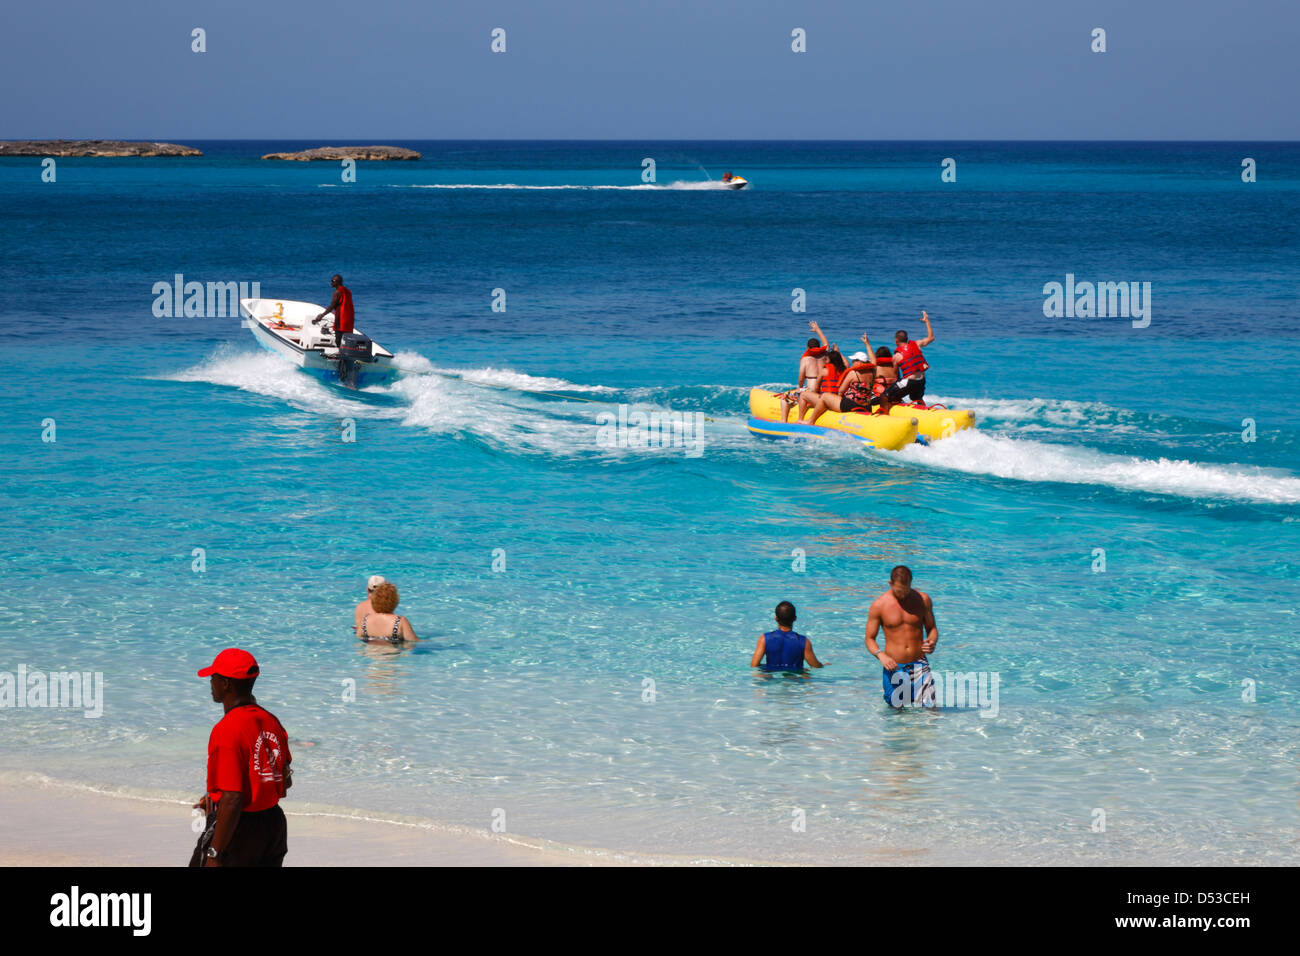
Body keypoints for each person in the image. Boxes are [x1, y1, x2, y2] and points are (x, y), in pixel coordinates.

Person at [190, 649, 292, 867]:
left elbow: (234, 799)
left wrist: (215, 853)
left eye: (214, 676)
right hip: (273, 825)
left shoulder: (227, 729)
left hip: (238, 830)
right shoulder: (272, 721)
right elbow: (283, 782)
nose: (210, 681)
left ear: (226, 683)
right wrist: (216, 798)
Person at [864, 566, 938, 708]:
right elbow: (869, 638)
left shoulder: (923, 600)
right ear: (890, 584)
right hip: (894, 666)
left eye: (906, 590)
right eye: (899, 591)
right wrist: (881, 655)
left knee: (931, 709)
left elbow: (932, 628)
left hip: (919, 664)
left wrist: (932, 641)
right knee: (896, 712)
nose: (903, 595)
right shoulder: (879, 605)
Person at [867, 311, 934, 409]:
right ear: (907, 339)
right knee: (916, 397)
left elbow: (895, 376)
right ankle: (925, 411)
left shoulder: (896, 356)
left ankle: (886, 414)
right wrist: (927, 321)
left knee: (885, 396)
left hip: (909, 382)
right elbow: (931, 337)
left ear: (896, 341)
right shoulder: (917, 344)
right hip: (921, 381)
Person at [751, 601, 825, 671]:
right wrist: (823, 665)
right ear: (795, 618)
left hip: (772, 677)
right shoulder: (803, 641)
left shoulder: (764, 639)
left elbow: (754, 665)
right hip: (794, 680)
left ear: (776, 618)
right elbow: (815, 666)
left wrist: (768, 668)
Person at [779, 321, 828, 423]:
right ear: (818, 347)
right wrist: (817, 329)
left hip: (811, 390)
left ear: (808, 348)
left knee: (784, 397)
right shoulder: (825, 356)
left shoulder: (805, 359)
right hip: (823, 391)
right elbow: (826, 344)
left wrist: (800, 387)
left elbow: (801, 378)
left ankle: (783, 421)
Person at [311, 274, 354, 347]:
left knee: (338, 339)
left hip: (341, 319)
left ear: (337, 282)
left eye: (333, 281)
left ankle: (339, 353)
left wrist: (322, 315)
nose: (331, 283)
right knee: (347, 339)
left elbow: (332, 306)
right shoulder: (348, 291)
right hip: (349, 319)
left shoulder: (337, 292)